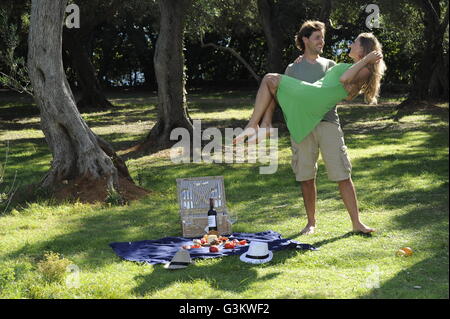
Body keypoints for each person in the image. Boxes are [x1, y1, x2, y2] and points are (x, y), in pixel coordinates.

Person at [232, 28, 386, 235]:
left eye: (355, 43)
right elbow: (343, 85)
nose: (350, 45)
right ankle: (263, 125)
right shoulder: (301, 66)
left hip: (323, 114)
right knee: (271, 83)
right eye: (317, 37)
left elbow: (344, 84)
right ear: (305, 40)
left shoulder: (361, 67)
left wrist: (366, 60)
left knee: (342, 175)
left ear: (364, 49)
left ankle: (357, 223)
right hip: (306, 106)